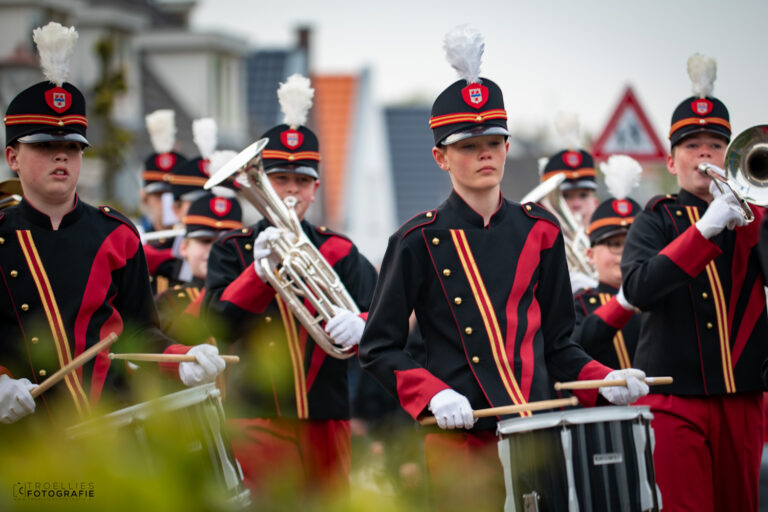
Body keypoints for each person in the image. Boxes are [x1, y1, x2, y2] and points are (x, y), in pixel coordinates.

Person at [358, 25, 648, 511]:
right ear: (440, 157)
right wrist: (430, 395)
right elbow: (379, 347)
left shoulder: (542, 231)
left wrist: (605, 380)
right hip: (460, 444)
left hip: (537, 435)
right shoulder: (417, 240)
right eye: (468, 145)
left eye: (493, 141)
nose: (484, 153)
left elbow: (558, 344)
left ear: (508, 146)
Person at [0, 22, 226, 429]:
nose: (61, 158)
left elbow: (141, 333)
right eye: (44, 147)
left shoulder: (116, 235)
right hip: (24, 438)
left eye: (71, 147)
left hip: (112, 433)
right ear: (12, 157)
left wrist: (182, 358)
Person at [202, 74, 378, 500]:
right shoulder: (233, 249)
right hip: (256, 417)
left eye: (301, 181)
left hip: (328, 417)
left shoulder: (339, 250)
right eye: (280, 179)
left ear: (316, 188)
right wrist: (258, 274)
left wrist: (360, 324)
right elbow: (215, 325)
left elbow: (388, 317)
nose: (291, 191)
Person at [622, 53, 767, 511]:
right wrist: (704, 230)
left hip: (741, 395)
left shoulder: (757, 219)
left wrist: (752, 218)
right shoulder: (656, 218)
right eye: (691, 145)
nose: (704, 153)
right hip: (672, 397)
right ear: (671, 159)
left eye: (715, 143)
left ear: (733, 153)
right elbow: (639, 289)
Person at [572, 155, 643, 369]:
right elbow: (575, 349)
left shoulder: (661, 299)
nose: (625, 254)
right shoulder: (579, 304)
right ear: (590, 255)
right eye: (614, 244)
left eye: (633, 243)